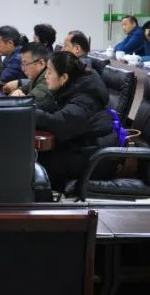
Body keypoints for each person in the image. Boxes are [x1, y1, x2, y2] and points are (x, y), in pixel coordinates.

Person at [34, 51, 120, 193]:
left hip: (95, 158)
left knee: (39, 162)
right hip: (81, 148)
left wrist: (33, 114)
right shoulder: (66, 89)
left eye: (49, 72)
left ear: (64, 77)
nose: (45, 76)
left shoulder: (86, 97)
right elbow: (44, 106)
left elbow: (61, 124)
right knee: (35, 157)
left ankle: (40, 202)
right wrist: (24, 108)